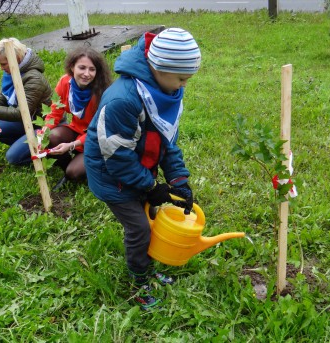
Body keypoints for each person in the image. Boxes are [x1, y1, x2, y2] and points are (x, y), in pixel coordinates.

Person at [84, 28, 201, 310]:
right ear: (158, 68)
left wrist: (178, 179)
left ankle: (146, 270)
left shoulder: (162, 91)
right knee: (139, 228)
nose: (184, 85)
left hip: (136, 168)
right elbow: (118, 157)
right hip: (112, 175)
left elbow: (166, 139)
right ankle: (139, 282)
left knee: (150, 218)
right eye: (182, 78)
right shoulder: (124, 99)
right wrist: (150, 187)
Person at [0, 38, 52, 165]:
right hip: (29, 121)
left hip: (44, 126)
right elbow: (2, 99)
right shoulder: (13, 71)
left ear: (16, 58)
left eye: (3, 64)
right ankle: (25, 147)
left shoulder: (34, 78)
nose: (1, 68)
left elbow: (21, 113)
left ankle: (43, 151)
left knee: (13, 158)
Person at [44, 47, 112, 190]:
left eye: (92, 69)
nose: (86, 74)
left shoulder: (102, 92)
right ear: (72, 67)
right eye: (82, 68)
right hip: (77, 130)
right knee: (51, 136)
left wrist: (72, 144)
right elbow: (55, 112)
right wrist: (44, 130)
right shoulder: (65, 82)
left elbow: (99, 130)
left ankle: (94, 165)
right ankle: (68, 163)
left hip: (97, 139)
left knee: (73, 173)